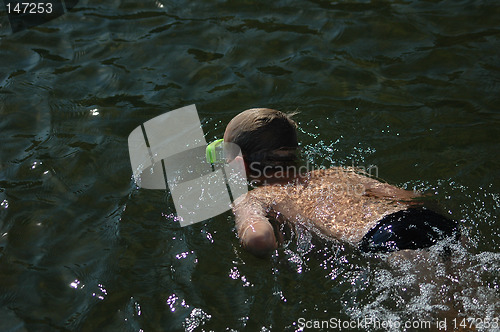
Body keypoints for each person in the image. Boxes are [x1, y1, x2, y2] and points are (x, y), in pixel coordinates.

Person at [215, 108, 460, 258]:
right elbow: (409, 197)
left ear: (239, 164)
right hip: (427, 221)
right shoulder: (339, 173)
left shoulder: (256, 197)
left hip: (386, 239)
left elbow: (259, 239)